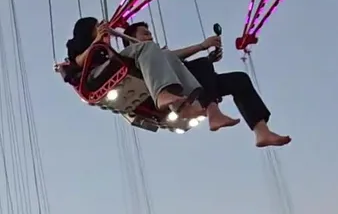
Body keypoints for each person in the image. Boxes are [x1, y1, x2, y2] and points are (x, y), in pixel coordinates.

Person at [123, 21, 291, 148]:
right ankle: (212, 112)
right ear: (131, 40)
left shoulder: (156, 53)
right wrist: (202, 46)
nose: (150, 37)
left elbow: (173, 57)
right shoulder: (138, 52)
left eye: (150, 34)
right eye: (145, 34)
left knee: (239, 79)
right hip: (167, 85)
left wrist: (209, 57)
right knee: (200, 64)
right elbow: (173, 55)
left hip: (188, 83)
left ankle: (262, 131)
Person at [65, 17, 206, 119]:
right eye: (97, 26)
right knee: (148, 47)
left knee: (166, 54)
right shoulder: (75, 45)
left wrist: (109, 37)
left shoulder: (103, 44)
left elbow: (111, 55)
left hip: (111, 65)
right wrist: (98, 40)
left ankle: (186, 103)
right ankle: (161, 94)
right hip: (93, 75)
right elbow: (79, 62)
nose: (99, 28)